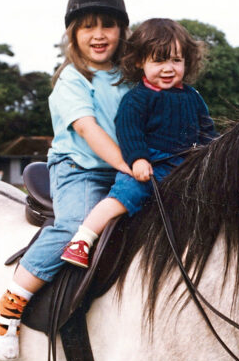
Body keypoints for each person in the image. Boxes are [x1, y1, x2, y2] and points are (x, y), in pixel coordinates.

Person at [0, 0, 133, 361]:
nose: (99, 35)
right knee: (75, 225)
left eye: (108, 25)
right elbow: (88, 129)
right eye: (88, 26)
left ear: (122, 31)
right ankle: (12, 303)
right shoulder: (72, 79)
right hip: (81, 169)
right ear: (74, 34)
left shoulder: (129, 77)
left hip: (125, 169)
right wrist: (127, 165)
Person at [59, 18, 217, 269]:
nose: (168, 68)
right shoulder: (137, 99)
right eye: (159, 60)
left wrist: (212, 152)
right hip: (149, 165)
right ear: (139, 61)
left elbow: (207, 130)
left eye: (176, 60)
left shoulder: (193, 97)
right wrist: (138, 159)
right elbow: (129, 131)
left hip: (185, 165)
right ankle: (83, 239)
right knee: (125, 195)